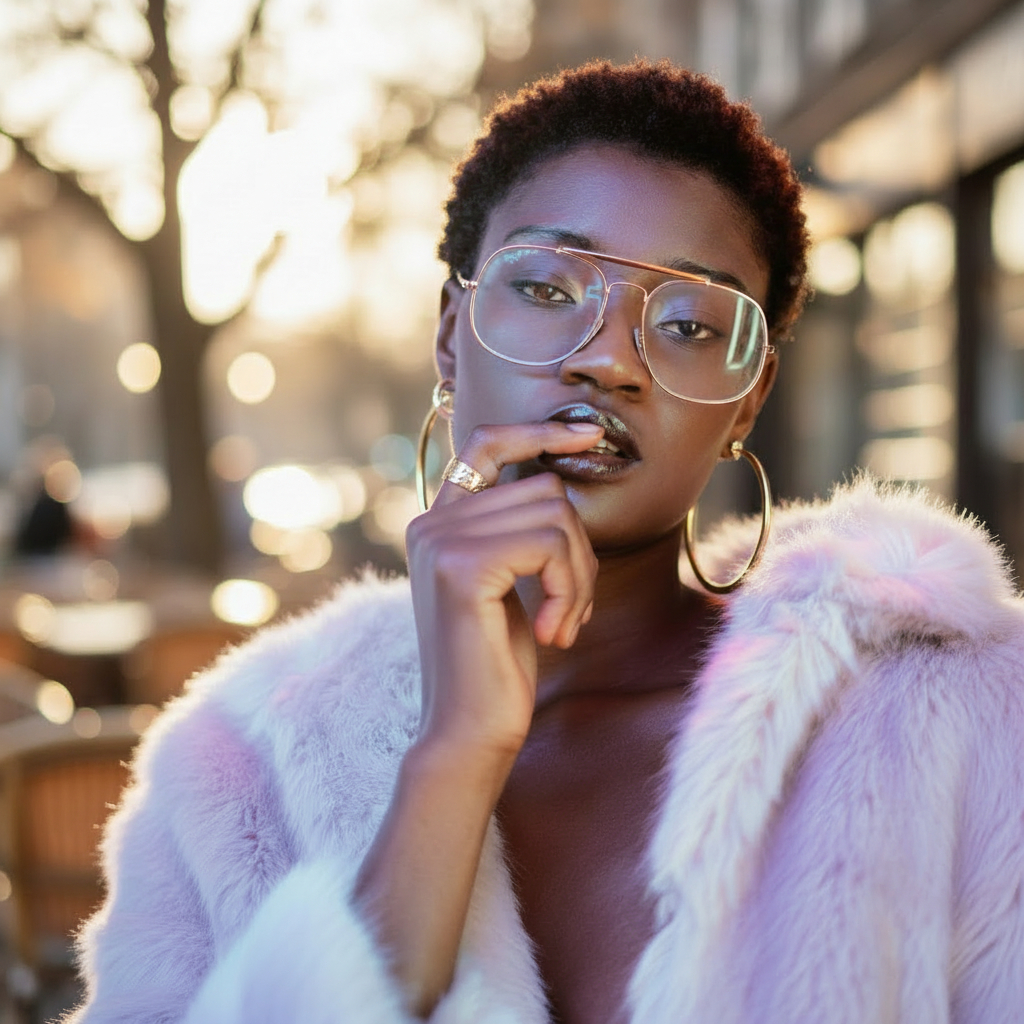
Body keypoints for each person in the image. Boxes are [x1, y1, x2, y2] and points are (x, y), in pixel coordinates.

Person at [69, 60, 1024, 1024]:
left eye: (690, 322)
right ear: (452, 335)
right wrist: (454, 757)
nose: (608, 359)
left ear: (750, 398)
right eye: (548, 288)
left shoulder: (971, 719)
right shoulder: (233, 767)